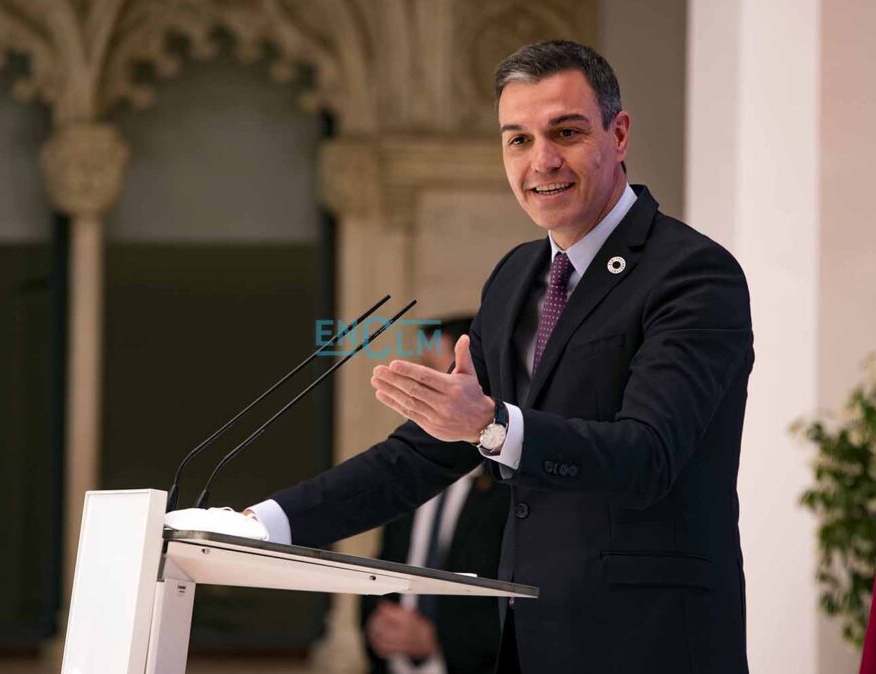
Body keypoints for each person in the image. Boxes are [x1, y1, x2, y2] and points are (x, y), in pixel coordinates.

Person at [248, 40, 753, 673]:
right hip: (526, 646)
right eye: (517, 139)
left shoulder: (693, 274)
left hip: (648, 646)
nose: (542, 160)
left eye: (566, 132)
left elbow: (647, 456)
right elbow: (420, 455)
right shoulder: (515, 278)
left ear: (618, 133)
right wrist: (263, 526)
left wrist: (491, 425)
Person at [360, 316, 509, 674]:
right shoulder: (408, 470)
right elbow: (382, 563)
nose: (416, 387)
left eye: (429, 372)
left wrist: (436, 638)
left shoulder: (513, 484)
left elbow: (518, 598)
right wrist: (377, 629)